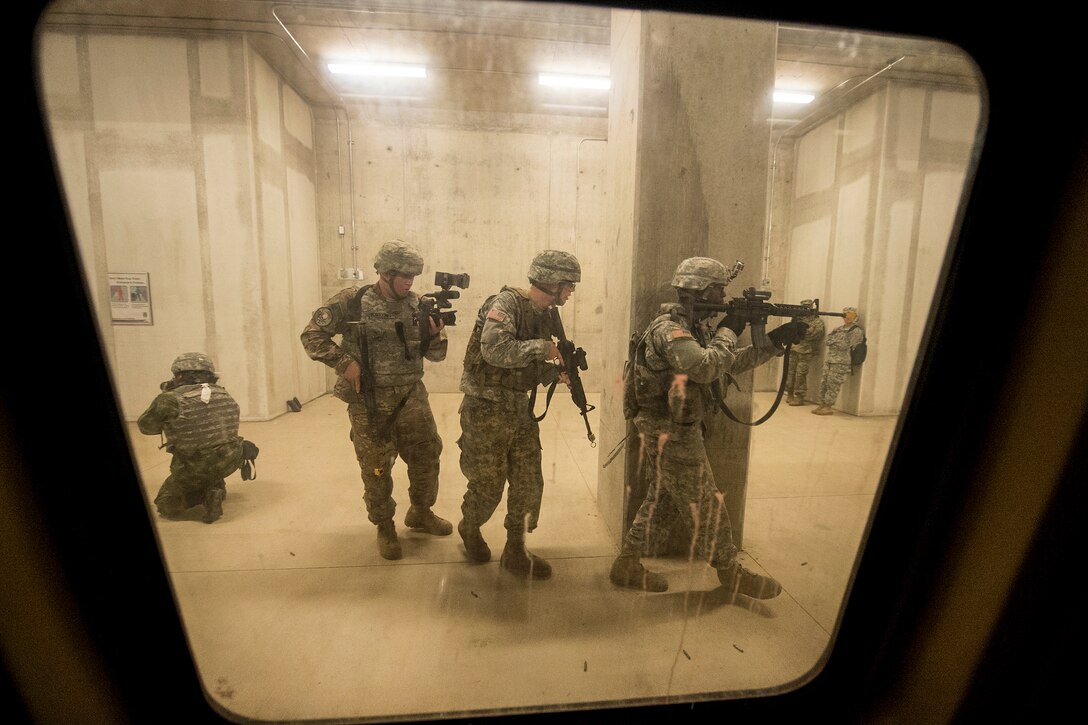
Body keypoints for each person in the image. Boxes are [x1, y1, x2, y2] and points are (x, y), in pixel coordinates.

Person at [609, 257, 808, 597]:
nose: (723, 297)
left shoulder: (694, 328)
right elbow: (703, 368)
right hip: (669, 432)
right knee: (705, 500)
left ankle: (626, 564)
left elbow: (725, 363)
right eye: (718, 290)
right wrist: (731, 326)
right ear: (696, 290)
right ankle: (730, 572)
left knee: (661, 499)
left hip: (676, 427)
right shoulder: (668, 330)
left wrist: (776, 341)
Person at [300, 239, 453, 560]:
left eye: (414, 275)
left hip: (412, 397)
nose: (410, 282)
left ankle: (421, 512)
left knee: (427, 456)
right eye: (403, 275)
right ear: (384, 272)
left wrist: (435, 333)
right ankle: (384, 526)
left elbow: (436, 356)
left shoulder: (418, 305)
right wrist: (344, 363)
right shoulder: (352, 302)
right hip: (368, 401)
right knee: (376, 466)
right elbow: (312, 335)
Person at [456, 249, 581, 580]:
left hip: (517, 409)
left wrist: (555, 373)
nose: (570, 292)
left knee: (528, 482)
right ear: (552, 282)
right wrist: (544, 349)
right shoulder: (506, 304)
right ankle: (469, 527)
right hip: (485, 407)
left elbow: (527, 366)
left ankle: (515, 549)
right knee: (487, 484)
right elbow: (494, 350)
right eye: (568, 285)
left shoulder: (545, 314)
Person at [137, 352, 247, 524]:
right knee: (209, 455)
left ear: (179, 375)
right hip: (231, 459)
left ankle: (206, 495)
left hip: (195, 465)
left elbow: (146, 427)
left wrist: (165, 398)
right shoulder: (223, 393)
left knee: (166, 506)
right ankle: (214, 486)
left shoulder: (170, 398)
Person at [812, 306, 865, 415]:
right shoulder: (839, 329)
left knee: (833, 384)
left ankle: (828, 406)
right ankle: (822, 404)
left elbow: (846, 345)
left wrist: (834, 341)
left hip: (841, 362)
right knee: (824, 382)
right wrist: (835, 339)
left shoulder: (856, 331)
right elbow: (827, 341)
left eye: (850, 315)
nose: (847, 317)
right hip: (830, 359)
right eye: (845, 315)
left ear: (855, 317)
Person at [785, 299, 826, 406]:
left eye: (807, 307)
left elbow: (816, 334)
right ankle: (789, 393)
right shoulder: (797, 319)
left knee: (800, 374)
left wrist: (800, 332)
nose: (805, 309)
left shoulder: (817, 321)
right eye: (803, 307)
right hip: (794, 350)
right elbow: (789, 332)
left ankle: (799, 396)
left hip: (806, 352)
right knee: (790, 372)